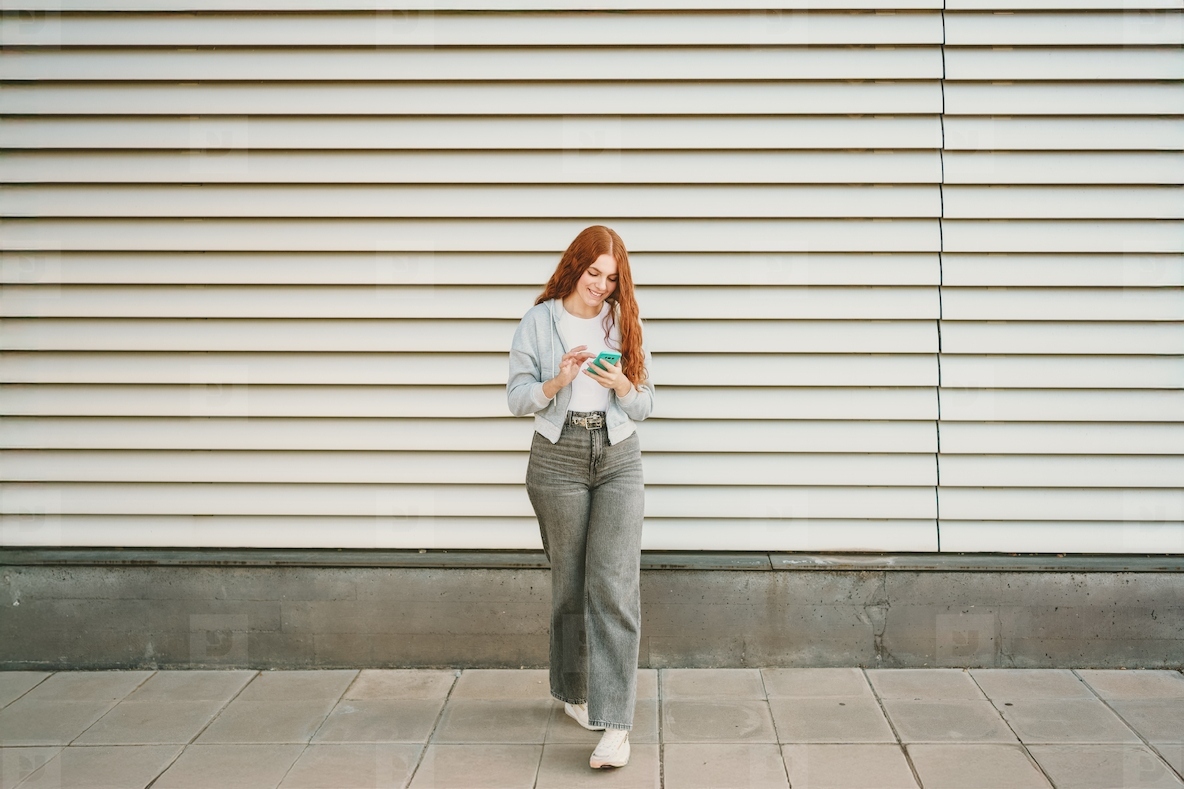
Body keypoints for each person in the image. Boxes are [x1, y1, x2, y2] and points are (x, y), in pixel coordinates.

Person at [506, 224, 655, 769]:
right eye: (594, 273)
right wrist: (558, 380)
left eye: (612, 279)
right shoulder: (539, 321)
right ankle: (573, 692)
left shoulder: (623, 321)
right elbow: (517, 398)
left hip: (618, 456)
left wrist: (621, 386)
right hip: (558, 456)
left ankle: (615, 726)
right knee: (569, 585)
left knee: (613, 586)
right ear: (576, 266)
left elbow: (645, 404)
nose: (601, 286)